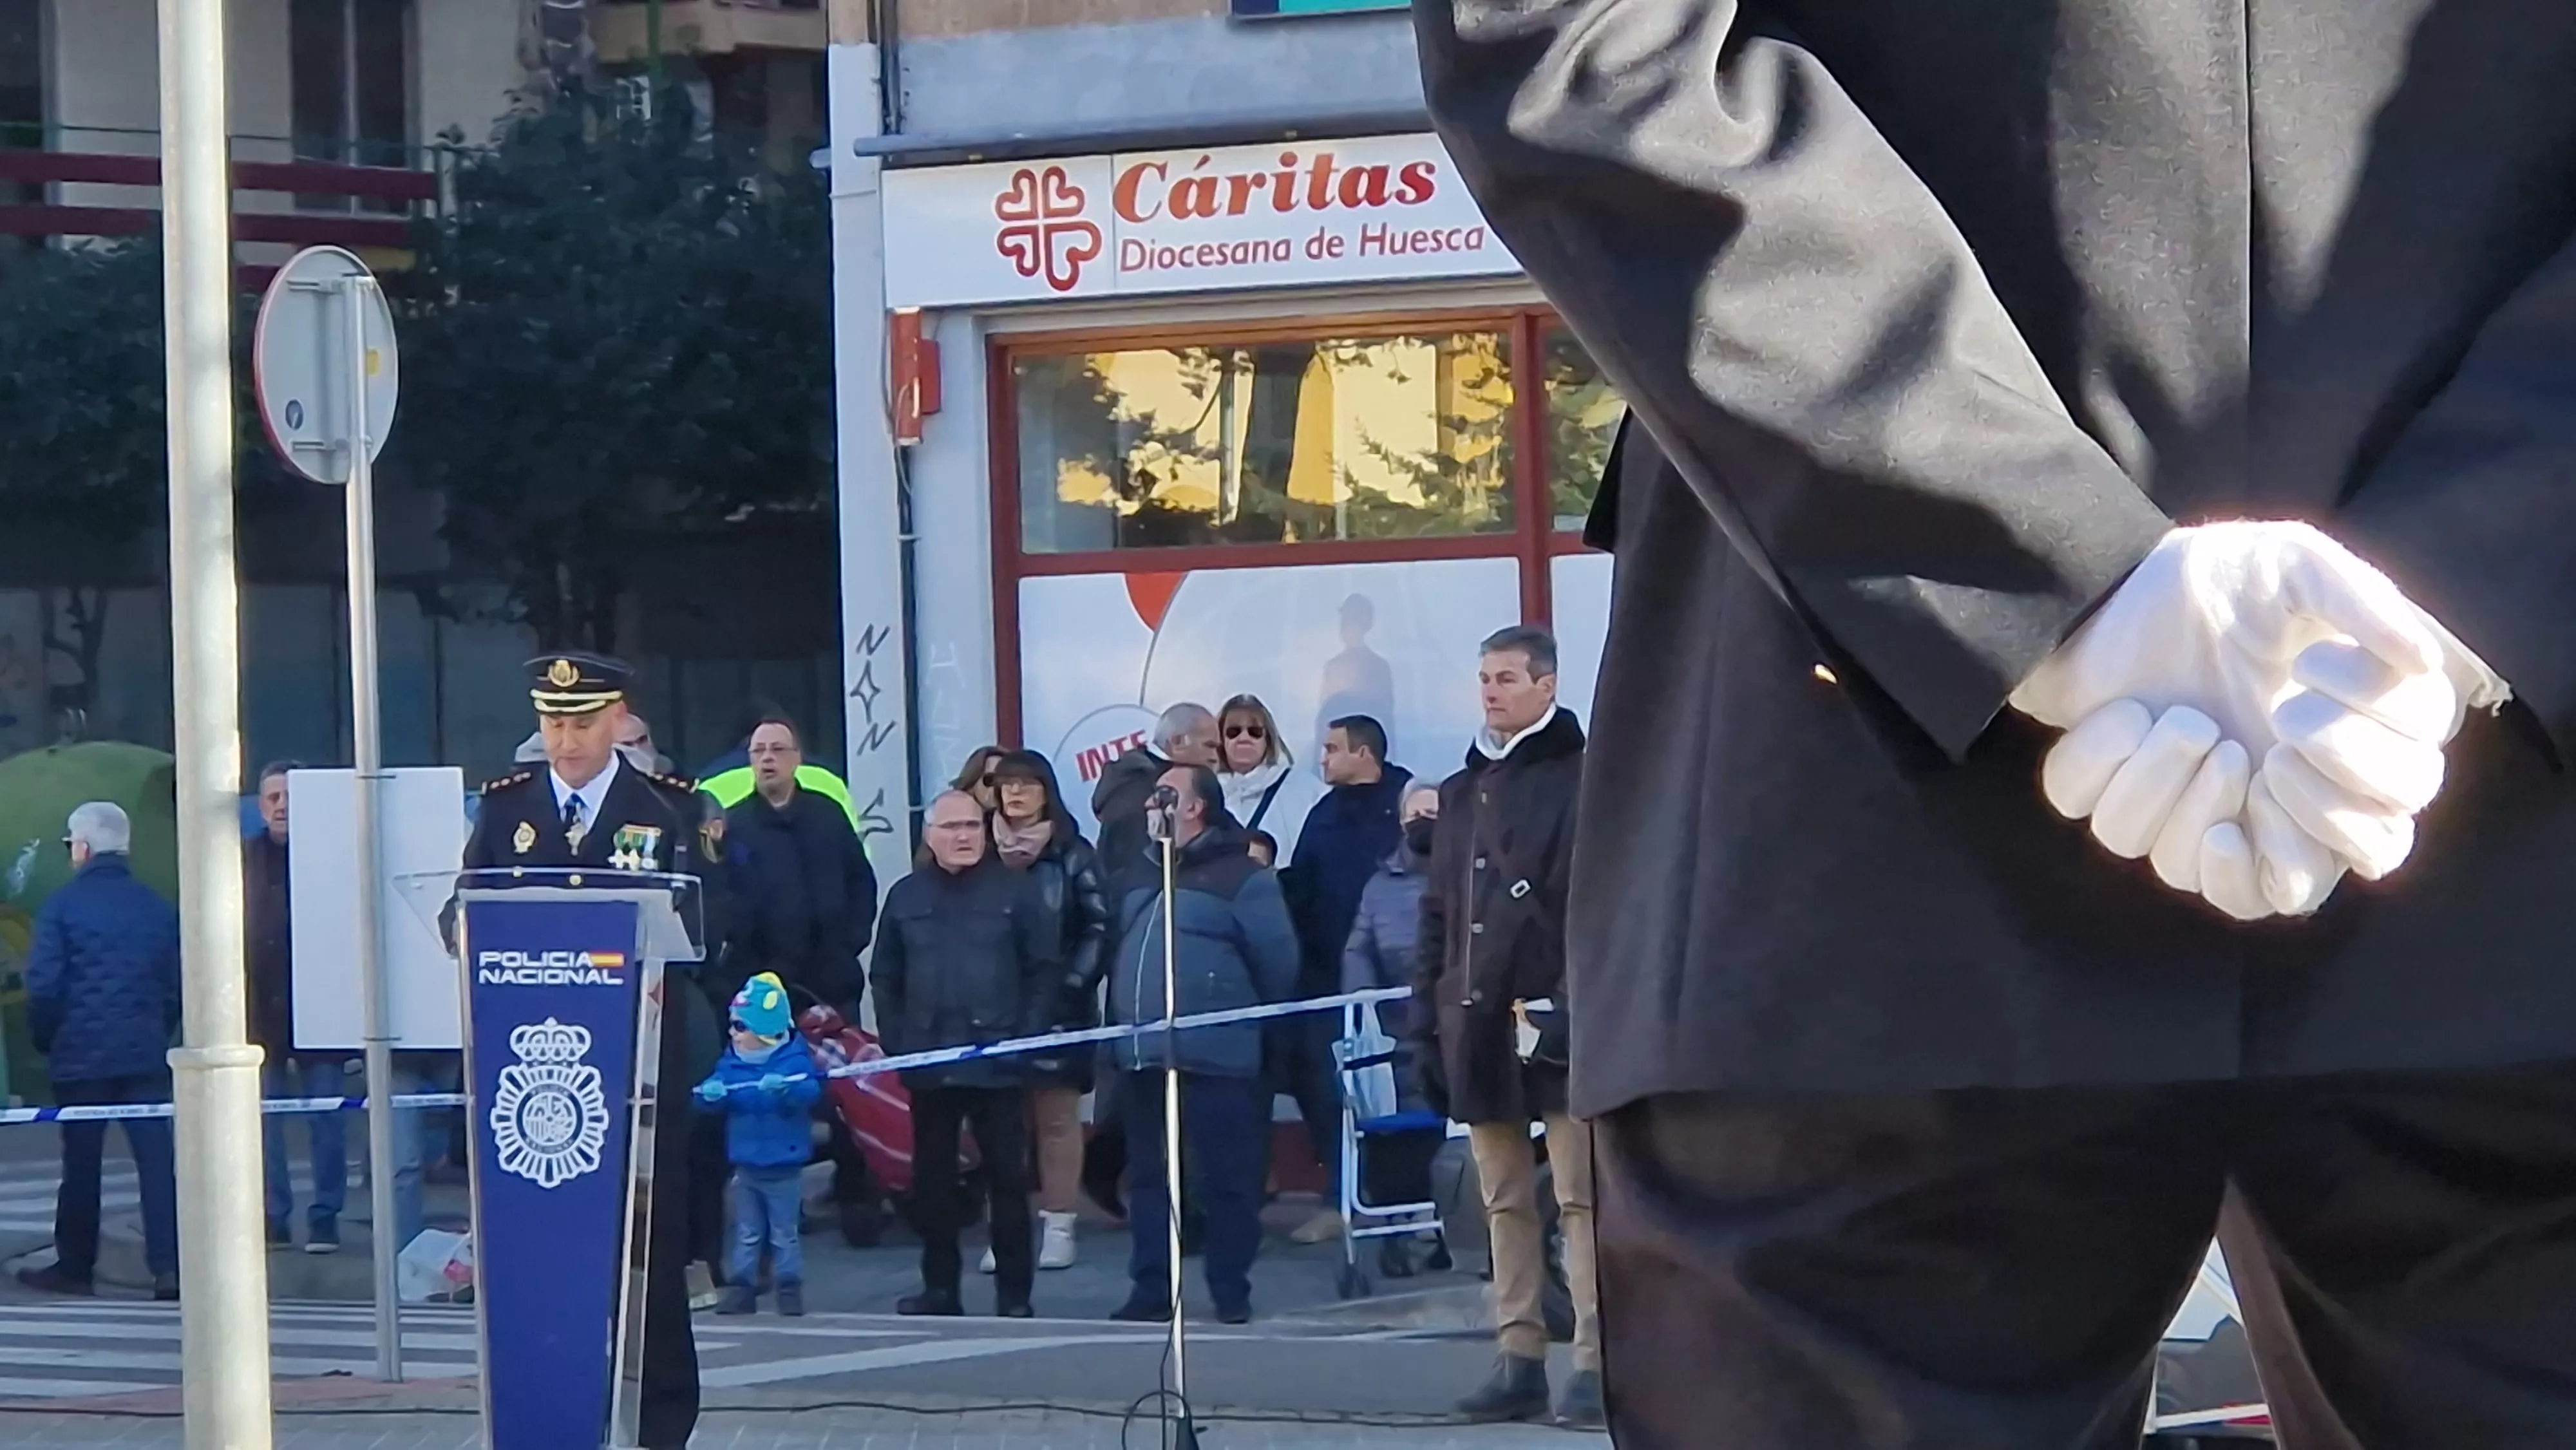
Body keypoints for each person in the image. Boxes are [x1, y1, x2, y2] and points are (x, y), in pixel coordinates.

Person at [1419, 5, 2576, 1444]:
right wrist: (2480, 563)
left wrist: (2021, 559)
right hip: (2515, 831)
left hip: (1850, 794)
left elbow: (1576, 47)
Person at [462, 652, 726, 1450]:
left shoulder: (671, 808)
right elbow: (464, 905)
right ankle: (545, 1405)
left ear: (618, 719)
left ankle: (659, 1422)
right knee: (543, 1246)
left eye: (580, 722)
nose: (565, 740)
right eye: (552, 723)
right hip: (536, 1066)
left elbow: (706, 927)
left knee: (652, 1241)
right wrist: (461, 928)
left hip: (642, 1065)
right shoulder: (507, 807)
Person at [1412, 625, 1598, 1428]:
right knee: (1502, 1199)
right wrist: (1423, 1015)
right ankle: (1518, 1353)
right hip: (1478, 1018)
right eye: (1484, 676)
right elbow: (1438, 914)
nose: (1491, 690)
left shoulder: (1587, 778)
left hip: (1557, 1016)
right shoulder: (1460, 791)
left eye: (1508, 677)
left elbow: (1599, 906)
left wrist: (1571, 999)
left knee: (1583, 1198)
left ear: (1546, 686)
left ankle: (1595, 1361)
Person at [1104, 765, 1300, 1326]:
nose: (1150, 806)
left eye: (1164, 796)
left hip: (1218, 1055)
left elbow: (1278, 963)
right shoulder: (1138, 875)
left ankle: (1229, 1288)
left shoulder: (1243, 877)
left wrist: (1229, 1016)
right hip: (1144, 1056)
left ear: (1195, 808)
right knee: (1149, 1178)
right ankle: (1151, 1289)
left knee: (1227, 1179)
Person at [873, 790, 1060, 1319]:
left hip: (998, 1059)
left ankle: (1015, 1295)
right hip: (929, 1059)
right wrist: (898, 1042)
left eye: (973, 827)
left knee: (1008, 1179)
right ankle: (940, 1291)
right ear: (930, 836)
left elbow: (1044, 970)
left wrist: (1026, 1037)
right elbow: (885, 975)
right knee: (932, 1184)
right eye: (952, 827)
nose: (963, 836)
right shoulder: (906, 896)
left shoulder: (1017, 892)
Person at [18, 802, 182, 1300]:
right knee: (157, 1165)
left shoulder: (62, 908)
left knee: (82, 1167)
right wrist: (157, 1030)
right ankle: (169, 1268)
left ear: (83, 848)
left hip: (81, 1058)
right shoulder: (157, 907)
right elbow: (176, 983)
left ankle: (75, 1267)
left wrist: (47, 1039)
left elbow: (44, 986)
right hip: (143, 1055)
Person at [1276, 715, 1414, 1245]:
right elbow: (1306, 888)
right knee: (1328, 1088)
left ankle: (1404, 1213)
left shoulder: (1406, 804)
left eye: (1333, 749)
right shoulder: (1324, 813)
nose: (1323, 759)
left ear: (1364, 753)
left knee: (1402, 1092)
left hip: (1396, 982)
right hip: (1327, 978)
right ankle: (1343, 1197)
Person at [980, 750, 1110, 1275]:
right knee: (1002, 1126)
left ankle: (1059, 1226)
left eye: (1026, 785)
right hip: (993, 1008)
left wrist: (1072, 985)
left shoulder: (1073, 853)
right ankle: (1006, 1232)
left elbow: (1099, 926)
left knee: (1057, 1121)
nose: (1014, 795)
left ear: (1046, 793)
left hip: (1061, 1006)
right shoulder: (980, 852)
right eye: (1006, 785)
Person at [242, 760, 351, 1255]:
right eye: (273, 798)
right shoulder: (242, 859)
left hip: (323, 1007)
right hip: (259, 1013)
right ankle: (274, 1215)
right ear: (260, 807)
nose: (282, 805)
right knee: (265, 1123)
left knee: (328, 1119)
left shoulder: (333, 857)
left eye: (291, 796)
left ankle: (325, 1216)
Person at [1342, 782, 1450, 1279]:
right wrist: (1365, 1006)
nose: (1423, 819)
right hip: (1395, 1035)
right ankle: (1401, 1233)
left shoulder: (1464, 876)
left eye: (1433, 810)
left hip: (1453, 1030)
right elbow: (1358, 950)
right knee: (1398, 1141)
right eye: (1416, 811)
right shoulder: (1379, 885)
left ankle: (1441, 1231)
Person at [719, 714, 876, 1012]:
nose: (768, 759)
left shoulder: (828, 814)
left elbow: (860, 880)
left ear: (797, 759)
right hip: (760, 987)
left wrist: (850, 943)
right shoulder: (734, 825)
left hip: (833, 983)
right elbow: (722, 897)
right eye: (759, 751)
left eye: (778, 750)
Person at [697, 972, 824, 1317]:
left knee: (784, 1233)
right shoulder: (732, 1062)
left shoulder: (793, 1062)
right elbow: (713, 1091)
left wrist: (787, 1090)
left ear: (764, 1031)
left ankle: (788, 1287)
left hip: (783, 1164)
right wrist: (710, 1095)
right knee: (747, 1231)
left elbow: (811, 1092)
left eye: (740, 1027)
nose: (733, 1033)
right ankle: (743, 1287)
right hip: (746, 1163)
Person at [1092, 703, 1220, 898]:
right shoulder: (1138, 796)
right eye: (1209, 746)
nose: (1215, 757)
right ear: (1177, 742)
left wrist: (1256, 842)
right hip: (1150, 914)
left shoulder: (1159, 784)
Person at [1215, 694, 1325, 863]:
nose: (1244, 738)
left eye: (1255, 732)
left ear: (1268, 739)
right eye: (1233, 732)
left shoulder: (1304, 788)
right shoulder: (1206, 791)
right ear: (1221, 740)